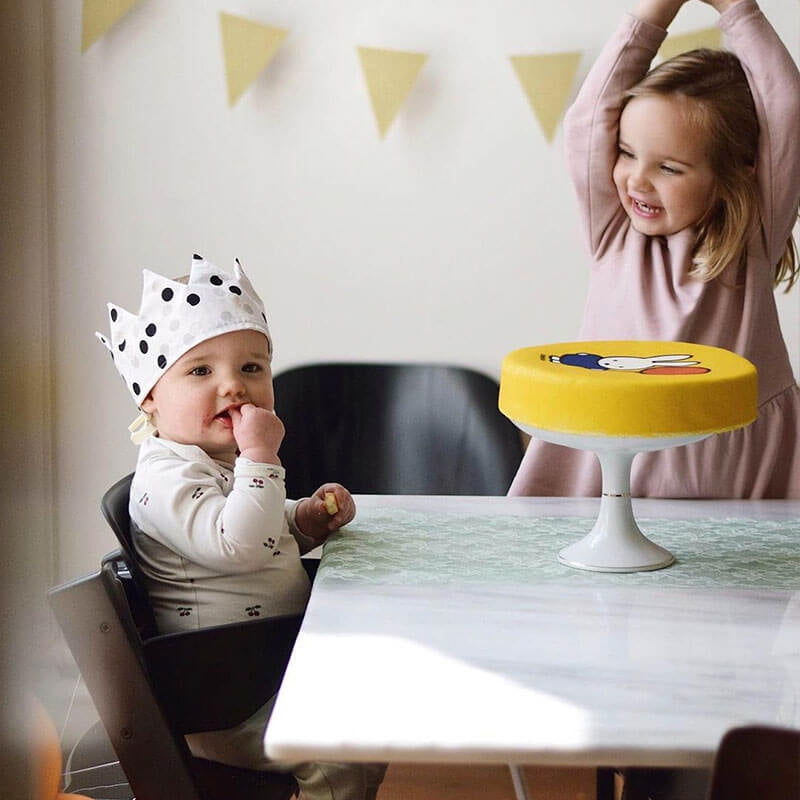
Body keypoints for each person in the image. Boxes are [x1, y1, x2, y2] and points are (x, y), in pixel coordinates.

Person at [97, 254, 386, 800]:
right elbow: (238, 545)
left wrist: (302, 520)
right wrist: (261, 457)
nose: (234, 387)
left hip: (269, 669)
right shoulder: (163, 479)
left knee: (368, 723)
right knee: (338, 755)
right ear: (150, 400)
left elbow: (261, 530)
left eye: (251, 368)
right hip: (226, 700)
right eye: (201, 370)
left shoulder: (218, 466)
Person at [509, 0, 800, 500]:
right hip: (607, 466)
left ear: (738, 173)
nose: (636, 179)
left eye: (668, 168)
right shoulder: (612, 230)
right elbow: (588, 118)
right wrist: (654, 12)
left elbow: (787, 106)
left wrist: (738, 9)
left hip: (729, 474)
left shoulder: (749, 239)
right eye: (626, 153)